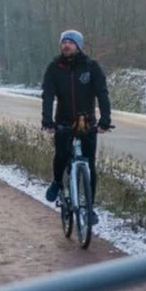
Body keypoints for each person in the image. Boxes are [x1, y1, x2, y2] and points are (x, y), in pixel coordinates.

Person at [41, 29, 112, 224]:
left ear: (79, 45)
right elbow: (48, 95)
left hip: (86, 122)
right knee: (61, 155)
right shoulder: (54, 67)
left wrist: (105, 119)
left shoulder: (91, 67)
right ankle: (57, 182)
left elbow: (102, 94)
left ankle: (89, 208)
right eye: (64, 42)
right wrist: (47, 120)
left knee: (89, 164)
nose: (66, 45)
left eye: (71, 42)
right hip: (63, 122)